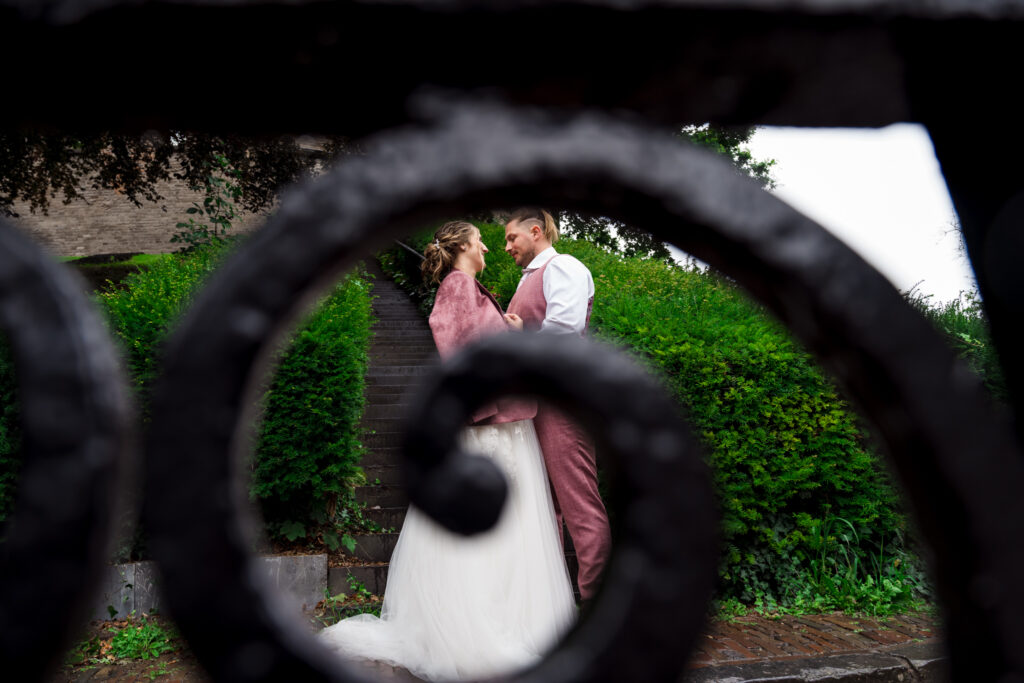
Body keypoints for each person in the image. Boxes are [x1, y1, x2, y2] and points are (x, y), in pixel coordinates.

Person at [318, 221, 576, 681]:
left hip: (500, 425)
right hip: (488, 429)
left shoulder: (469, 286)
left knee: (507, 532)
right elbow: (457, 347)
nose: (488, 250)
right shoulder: (458, 286)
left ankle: (503, 618)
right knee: (492, 530)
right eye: (481, 242)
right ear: (462, 247)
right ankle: (473, 628)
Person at [503, 207, 612, 605]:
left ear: (535, 231)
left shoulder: (563, 267)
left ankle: (594, 602)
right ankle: (549, 603)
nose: (507, 247)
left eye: (512, 238)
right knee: (545, 507)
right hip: (537, 403)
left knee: (579, 502)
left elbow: (563, 334)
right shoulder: (529, 277)